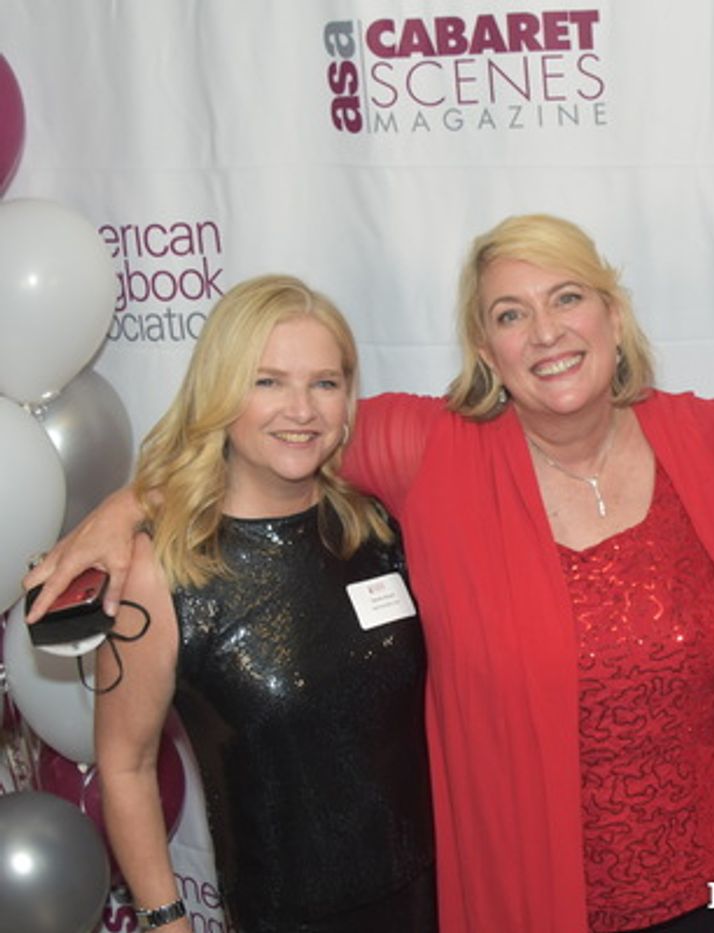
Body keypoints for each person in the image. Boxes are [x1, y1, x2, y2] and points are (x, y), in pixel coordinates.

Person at [34, 216, 714, 932]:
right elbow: (273, 440)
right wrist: (129, 505)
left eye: (568, 296)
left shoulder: (710, 438)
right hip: (526, 893)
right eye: (512, 314)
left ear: (613, 312)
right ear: (487, 348)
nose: (546, 331)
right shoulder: (429, 449)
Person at [93, 276, 436, 932]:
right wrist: (167, 921)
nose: (300, 409)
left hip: (434, 900)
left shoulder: (380, 526)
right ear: (221, 391)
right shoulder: (163, 572)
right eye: (268, 380)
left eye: (324, 382)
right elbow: (126, 763)